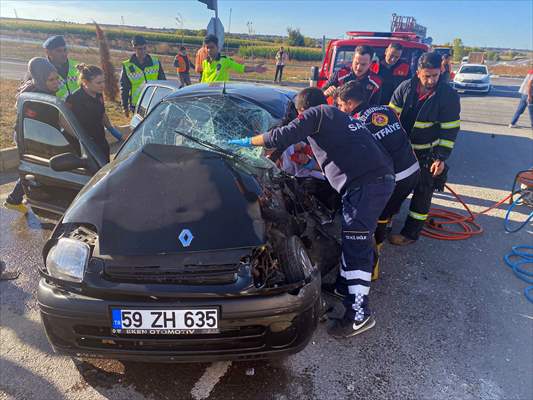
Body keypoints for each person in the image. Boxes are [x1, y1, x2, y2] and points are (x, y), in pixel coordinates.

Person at [228, 87, 395, 338]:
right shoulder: (335, 117)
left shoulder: (317, 113)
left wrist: (247, 142)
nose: (298, 119)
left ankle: (359, 315)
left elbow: (283, 134)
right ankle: (343, 288)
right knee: (355, 240)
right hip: (372, 181)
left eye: (298, 114)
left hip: (366, 185)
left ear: (303, 110)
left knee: (356, 246)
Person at [336, 80, 420, 279]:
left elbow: (360, 157)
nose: (340, 109)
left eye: (340, 105)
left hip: (394, 178)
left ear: (349, 103)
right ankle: (384, 230)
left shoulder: (357, 122)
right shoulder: (386, 110)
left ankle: (372, 267)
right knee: (388, 212)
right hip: (413, 170)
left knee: (375, 220)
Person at [387, 52, 461, 245]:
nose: (431, 80)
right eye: (427, 75)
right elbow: (390, 118)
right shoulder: (404, 88)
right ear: (418, 71)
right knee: (393, 187)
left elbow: (450, 130)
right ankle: (387, 218)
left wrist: (441, 158)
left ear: (441, 71)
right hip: (401, 151)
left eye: (435, 75)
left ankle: (410, 234)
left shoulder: (448, 96)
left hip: (427, 154)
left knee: (423, 193)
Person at [4, 58, 60, 214]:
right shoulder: (36, 97)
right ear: (40, 79)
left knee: (36, 166)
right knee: (32, 167)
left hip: (36, 136)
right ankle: (14, 199)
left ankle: (26, 195)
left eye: (57, 79)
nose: (56, 83)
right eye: (51, 80)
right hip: (28, 138)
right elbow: (35, 123)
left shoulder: (41, 90)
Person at [66, 64, 123, 163]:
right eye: (98, 82)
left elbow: (102, 114)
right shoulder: (73, 99)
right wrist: (80, 138)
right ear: (85, 82)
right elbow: (64, 121)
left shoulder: (99, 95)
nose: (103, 85)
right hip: (83, 145)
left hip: (100, 140)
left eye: (103, 82)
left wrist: (113, 131)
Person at [120, 35, 166, 117]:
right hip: (137, 104)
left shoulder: (155, 62)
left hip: (153, 102)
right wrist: (125, 107)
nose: (143, 51)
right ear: (134, 48)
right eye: (139, 49)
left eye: (144, 48)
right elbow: (124, 88)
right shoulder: (127, 65)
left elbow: (163, 83)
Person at [200, 35, 267, 83]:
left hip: (219, 96)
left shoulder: (224, 60)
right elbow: (203, 81)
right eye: (207, 47)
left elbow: (240, 68)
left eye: (212, 47)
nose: (209, 50)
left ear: (217, 47)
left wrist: (254, 68)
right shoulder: (205, 62)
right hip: (208, 95)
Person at [42, 35, 81, 100]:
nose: (64, 54)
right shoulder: (42, 70)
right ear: (48, 52)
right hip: (55, 109)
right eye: (59, 51)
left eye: (65, 50)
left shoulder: (77, 66)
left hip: (77, 108)